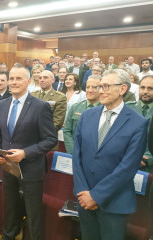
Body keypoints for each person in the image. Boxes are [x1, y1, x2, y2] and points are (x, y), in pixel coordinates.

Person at [73, 69, 148, 240]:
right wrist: (83, 192)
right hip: (84, 199)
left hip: (114, 203)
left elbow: (128, 167)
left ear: (122, 89)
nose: (101, 91)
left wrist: (96, 196)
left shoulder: (138, 123)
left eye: (106, 86)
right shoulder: (87, 115)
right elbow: (76, 157)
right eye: (100, 86)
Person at [0, 63, 57, 240]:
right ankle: (8, 235)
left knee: (32, 211)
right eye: (11, 78)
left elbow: (51, 140)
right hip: (7, 166)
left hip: (31, 168)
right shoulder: (2, 104)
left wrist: (25, 153)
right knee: (10, 205)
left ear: (28, 81)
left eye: (18, 78)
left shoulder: (40, 106)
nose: (13, 82)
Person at [63, 75, 101, 154]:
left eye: (94, 87)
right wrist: (73, 151)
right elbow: (67, 131)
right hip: (74, 153)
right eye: (88, 87)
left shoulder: (106, 109)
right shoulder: (75, 107)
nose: (90, 90)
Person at [127, 75, 153, 173]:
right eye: (142, 87)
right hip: (126, 163)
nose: (145, 91)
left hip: (150, 167)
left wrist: (147, 159)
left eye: (150, 88)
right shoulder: (127, 108)